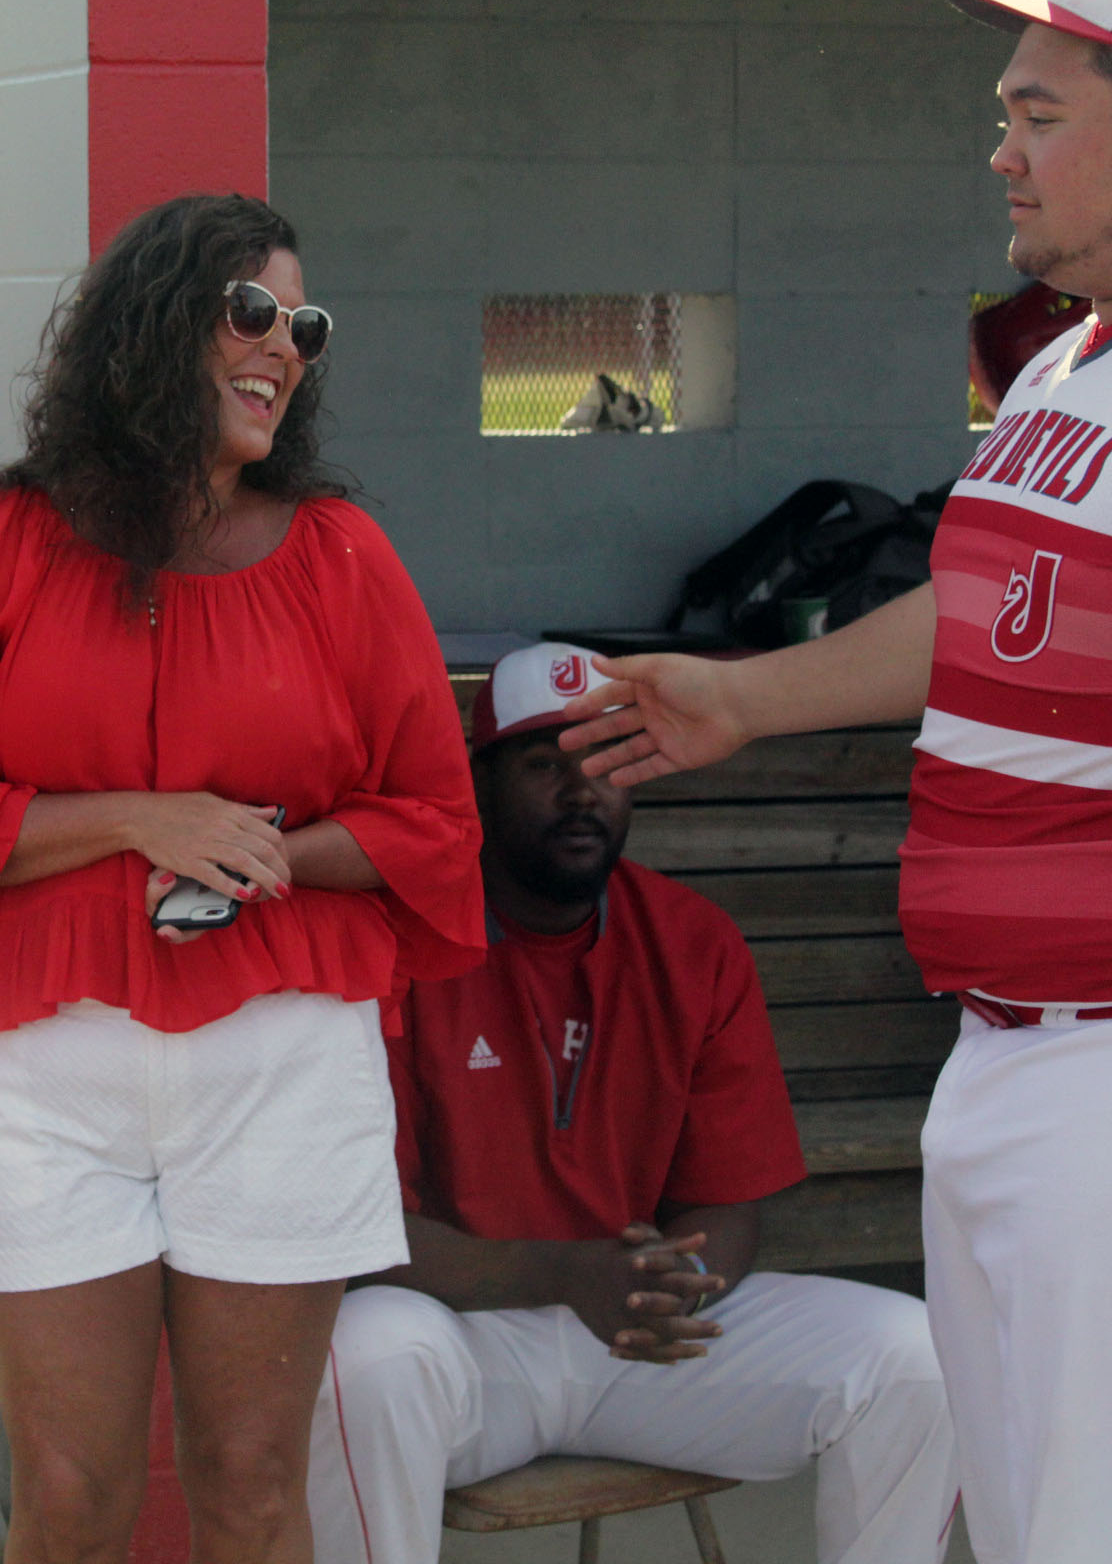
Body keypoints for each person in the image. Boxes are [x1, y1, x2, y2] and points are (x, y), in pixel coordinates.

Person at [561, 0, 1112, 1564]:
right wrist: (742, 697)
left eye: (1040, 116)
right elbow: (992, 606)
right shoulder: (1071, 357)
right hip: (1011, 1056)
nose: (1000, 153)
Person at [0, 193, 485, 1564]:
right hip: (42, 1066)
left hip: (279, 1060)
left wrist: (265, 853)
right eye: (252, 312)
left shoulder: (341, 555)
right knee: (71, 1498)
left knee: (251, 1486)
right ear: (153, 324)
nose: (284, 348)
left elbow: (435, 826)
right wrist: (141, 820)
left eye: (305, 326)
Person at [307, 643, 957, 1564]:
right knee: (362, 1360)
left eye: (609, 760)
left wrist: (673, 1286)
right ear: (479, 783)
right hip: (465, 1341)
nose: (583, 791)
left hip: (638, 1339)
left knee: (916, 1360)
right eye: (546, 764)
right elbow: (367, 1240)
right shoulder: (398, 939)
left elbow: (727, 1201)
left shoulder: (692, 942)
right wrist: (569, 1276)